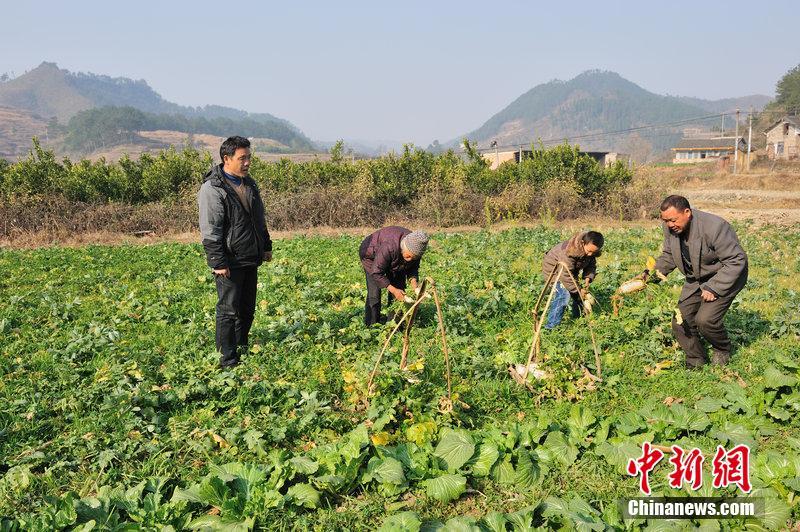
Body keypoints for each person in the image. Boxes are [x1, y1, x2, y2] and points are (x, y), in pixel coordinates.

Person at [645, 195, 748, 368]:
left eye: (673, 220)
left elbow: (736, 260)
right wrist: (652, 275)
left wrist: (714, 288)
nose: (669, 225)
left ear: (687, 212)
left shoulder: (715, 227)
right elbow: (669, 254)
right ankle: (695, 360)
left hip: (726, 276)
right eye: (665, 221)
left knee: (705, 320)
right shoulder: (671, 228)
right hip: (697, 277)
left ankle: (722, 348)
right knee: (680, 321)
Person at [198, 136, 272, 368]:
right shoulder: (213, 188)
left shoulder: (249, 183)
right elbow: (210, 230)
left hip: (250, 255)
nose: (248, 162)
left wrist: (266, 245)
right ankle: (226, 358)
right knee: (228, 310)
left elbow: (258, 219)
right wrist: (218, 262)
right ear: (226, 158)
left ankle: (241, 346)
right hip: (229, 260)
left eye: (249, 157)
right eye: (243, 158)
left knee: (247, 309)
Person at [359, 227, 429, 326]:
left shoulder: (417, 249)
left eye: (413, 258)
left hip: (394, 257)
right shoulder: (389, 246)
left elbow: (413, 268)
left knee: (399, 288)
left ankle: (393, 324)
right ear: (404, 247)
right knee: (374, 294)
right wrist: (394, 290)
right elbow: (376, 272)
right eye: (408, 256)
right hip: (371, 255)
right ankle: (372, 325)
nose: (409, 260)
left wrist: (415, 287)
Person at [542, 231, 604, 329]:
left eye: (594, 252)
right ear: (583, 243)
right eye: (588, 251)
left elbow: (591, 266)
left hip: (570, 271)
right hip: (554, 272)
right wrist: (578, 290)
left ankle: (578, 319)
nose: (590, 254)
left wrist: (588, 278)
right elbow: (565, 275)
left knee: (578, 296)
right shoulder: (568, 251)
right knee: (563, 295)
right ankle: (551, 326)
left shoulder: (591, 252)